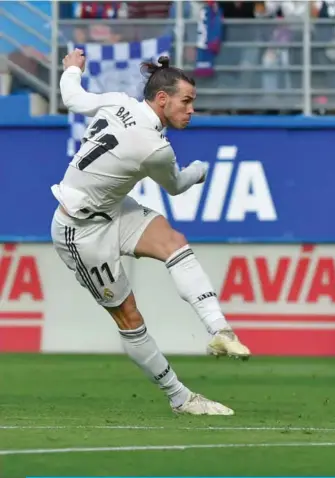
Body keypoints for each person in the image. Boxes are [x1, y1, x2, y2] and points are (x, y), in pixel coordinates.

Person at [50, 49, 251, 416]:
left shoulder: (116, 101)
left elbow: (72, 98)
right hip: (79, 231)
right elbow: (176, 185)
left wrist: (72, 69)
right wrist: (199, 171)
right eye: (186, 102)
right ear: (162, 99)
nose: (191, 110)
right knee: (129, 317)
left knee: (174, 242)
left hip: (112, 210)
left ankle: (221, 331)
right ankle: (180, 397)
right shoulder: (154, 148)